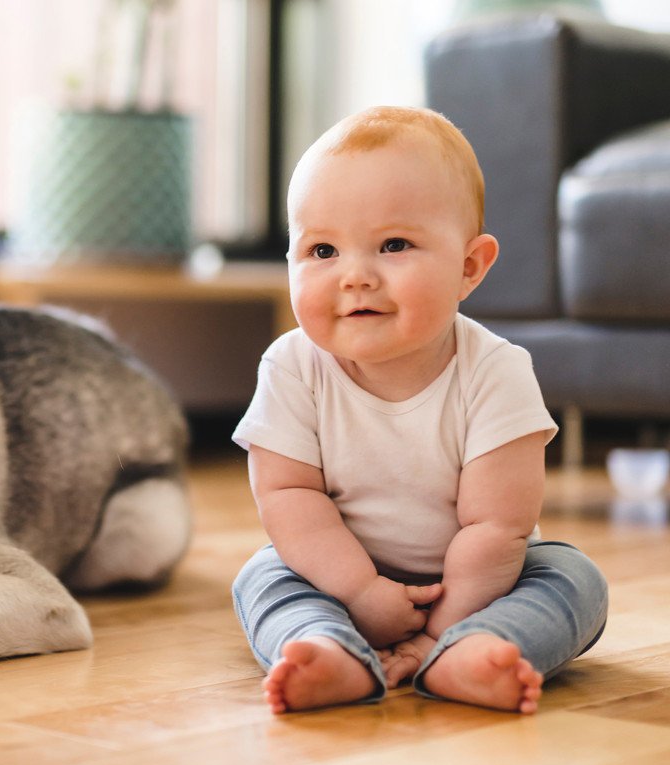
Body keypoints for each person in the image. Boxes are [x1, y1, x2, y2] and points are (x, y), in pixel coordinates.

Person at [231, 106, 608, 714]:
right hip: (335, 572)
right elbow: (287, 497)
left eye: (393, 244)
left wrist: (439, 628)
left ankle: (473, 649)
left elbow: (496, 526)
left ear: (469, 266)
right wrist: (358, 589)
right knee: (263, 575)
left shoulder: (496, 371)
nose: (355, 276)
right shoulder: (292, 366)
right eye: (322, 249)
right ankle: (326, 649)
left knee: (574, 578)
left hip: (484, 581)